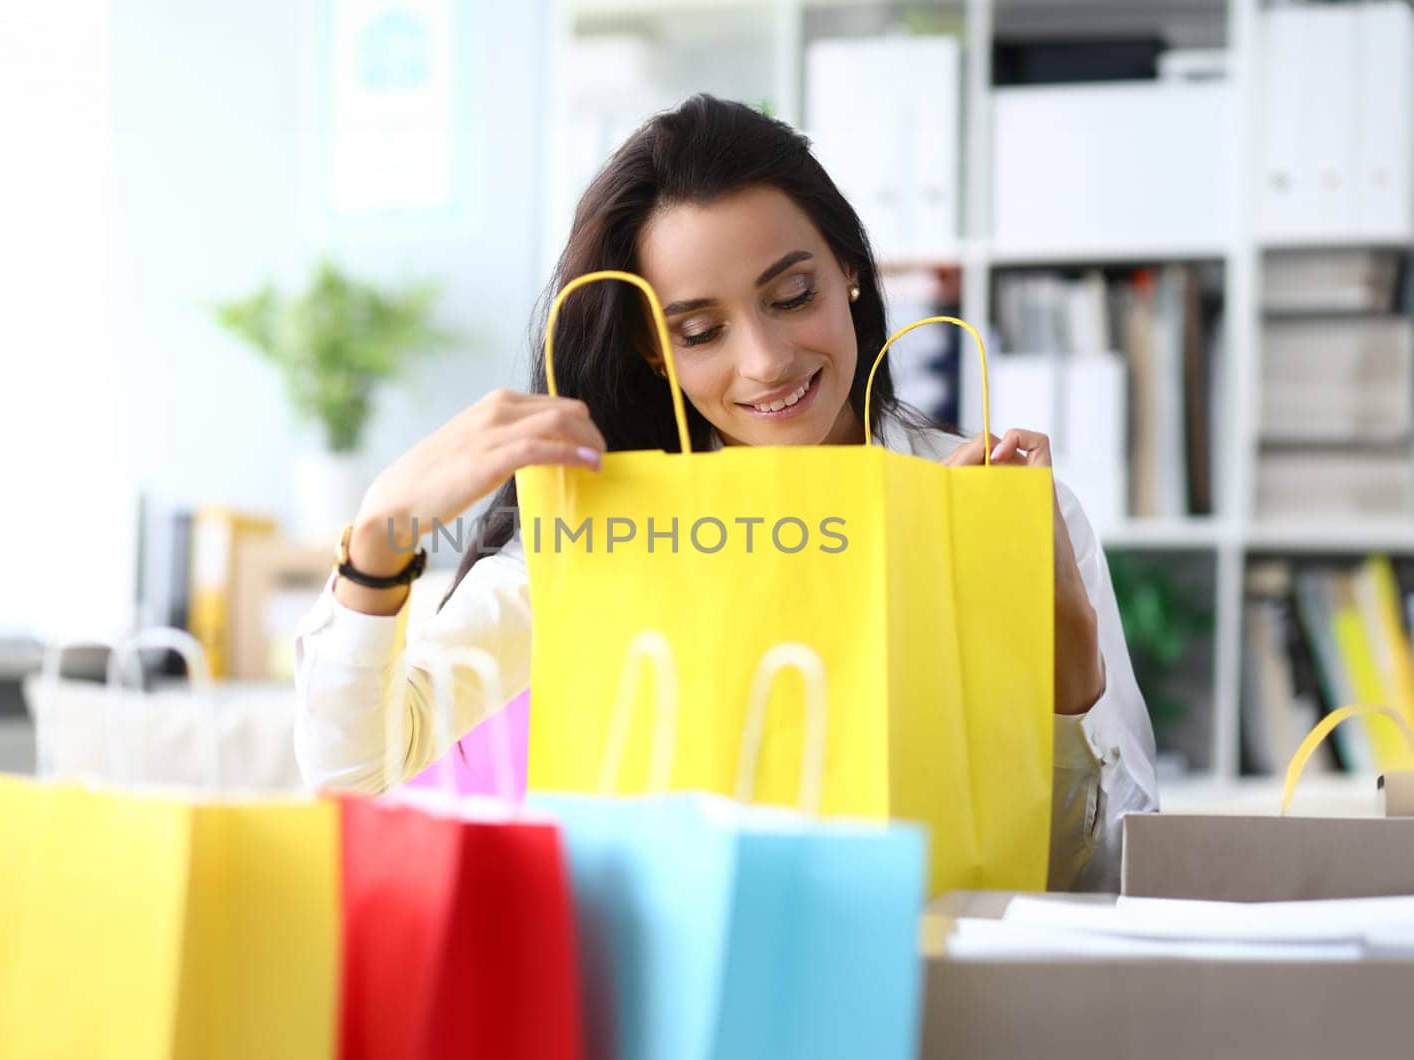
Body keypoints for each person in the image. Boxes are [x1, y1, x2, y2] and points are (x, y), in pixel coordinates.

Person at [293, 94, 1157, 891]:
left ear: (851, 269)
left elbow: (1101, 878)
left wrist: (1067, 656)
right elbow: (357, 783)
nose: (767, 361)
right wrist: (380, 536)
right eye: (701, 330)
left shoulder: (998, 503)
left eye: (792, 294)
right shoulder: (608, 530)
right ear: (650, 351)